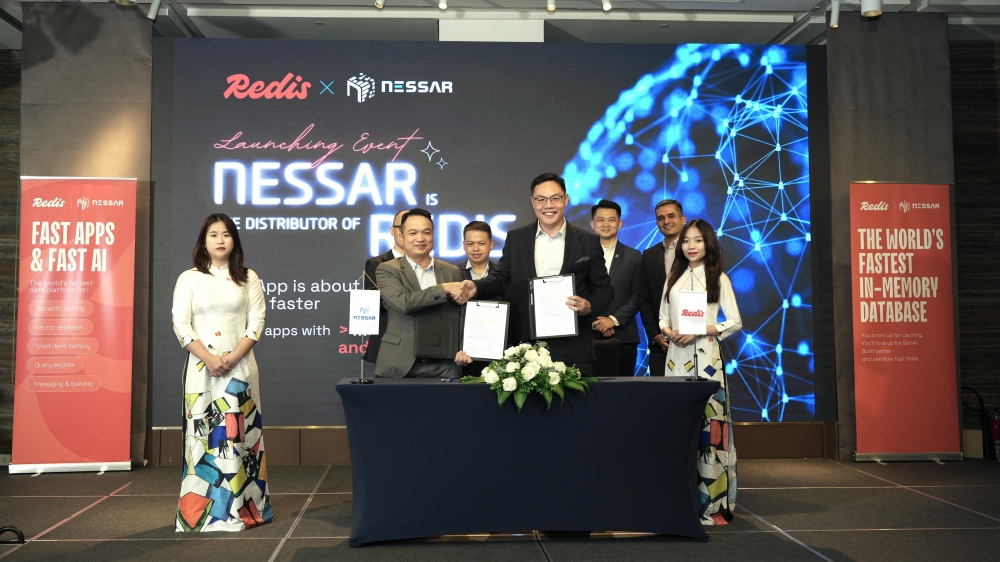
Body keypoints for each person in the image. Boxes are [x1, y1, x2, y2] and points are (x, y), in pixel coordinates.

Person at [173, 214, 270, 532]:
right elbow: (181, 324)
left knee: (239, 439)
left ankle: (245, 511)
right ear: (203, 242)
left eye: (226, 234)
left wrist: (233, 357)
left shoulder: (248, 277)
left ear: (234, 241)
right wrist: (209, 358)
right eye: (213, 234)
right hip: (201, 370)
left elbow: (257, 322)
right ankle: (200, 515)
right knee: (201, 440)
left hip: (240, 369)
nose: (219, 240)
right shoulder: (189, 278)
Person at [464, 173, 613, 375]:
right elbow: (501, 278)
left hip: (573, 349)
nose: (548, 205)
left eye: (555, 198)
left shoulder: (588, 241)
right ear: (533, 202)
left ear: (566, 199)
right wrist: (477, 286)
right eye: (541, 199)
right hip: (526, 350)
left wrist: (589, 306)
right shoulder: (516, 238)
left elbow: (604, 288)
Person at [658, 219, 741, 526]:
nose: (691, 246)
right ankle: (677, 501)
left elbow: (734, 322)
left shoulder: (718, 277)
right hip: (676, 359)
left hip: (707, 359)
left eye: (697, 240)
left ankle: (713, 506)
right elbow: (662, 317)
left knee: (711, 430)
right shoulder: (673, 277)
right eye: (686, 241)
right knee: (678, 428)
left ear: (709, 244)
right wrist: (669, 331)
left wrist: (701, 330)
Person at [375, 208, 473, 378]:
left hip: (445, 364)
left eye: (426, 232)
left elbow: (461, 316)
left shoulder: (451, 271)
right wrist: (444, 288)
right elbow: (404, 303)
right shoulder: (387, 269)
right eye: (413, 233)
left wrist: (465, 348)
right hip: (401, 364)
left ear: (433, 235)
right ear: (401, 236)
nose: (420, 238)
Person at [589, 200, 642, 376]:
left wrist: (613, 320)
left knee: (622, 389)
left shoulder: (634, 256)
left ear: (620, 224)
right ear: (592, 224)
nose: (606, 224)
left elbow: (639, 294)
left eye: (611, 220)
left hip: (624, 336)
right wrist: (597, 322)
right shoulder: (580, 255)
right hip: (587, 336)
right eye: (600, 220)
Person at [638, 199, 686, 377]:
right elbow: (644, 299)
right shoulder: (649, 255)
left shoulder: (698, 251)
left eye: (671, 216)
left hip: (692, 341)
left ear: (683, 219)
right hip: (661, 344)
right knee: (660, 392)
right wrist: (655, 335)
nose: (666, 221)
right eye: (660, 218)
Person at [362, 209, 409, 364]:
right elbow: (373, 305)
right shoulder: (375, 264)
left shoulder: (431, 266)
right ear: (392, 230)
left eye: (410, 229)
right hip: (386, 340)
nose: (404, 232)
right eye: (400, 227)